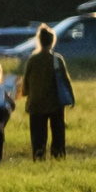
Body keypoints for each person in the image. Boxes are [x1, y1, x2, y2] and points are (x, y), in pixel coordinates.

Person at [19, 24, 72, 160]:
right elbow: (65, 81)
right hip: (55, 103)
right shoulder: (57, 59)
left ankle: (39, 156)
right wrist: (71, 97)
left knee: (38, 135)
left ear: (39, 41)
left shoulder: (32, 60)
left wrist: (25, 92)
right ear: (52, 41)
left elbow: (26, 82)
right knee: (58, 133)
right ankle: (58, 156)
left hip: (35, 103)